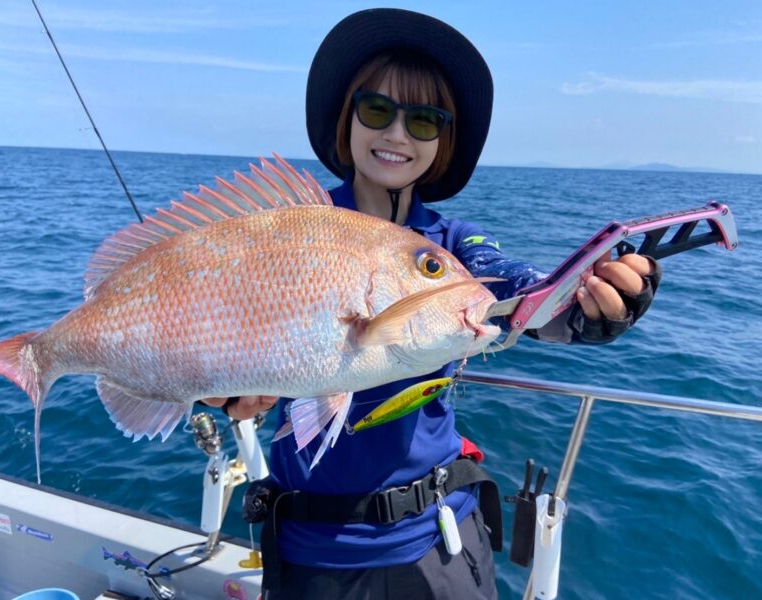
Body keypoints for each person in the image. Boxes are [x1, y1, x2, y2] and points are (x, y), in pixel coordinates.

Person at [206, 8, 660, 599]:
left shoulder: (450, 247)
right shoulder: (287, 232)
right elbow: (217, 327)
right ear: (347, 119)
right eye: (377, 111)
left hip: (437, 539)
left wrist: (598, 303)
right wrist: (223, 389)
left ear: (442, 141)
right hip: (310, 545)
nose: (397, 134)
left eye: (423, 120)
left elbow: (520, 291)